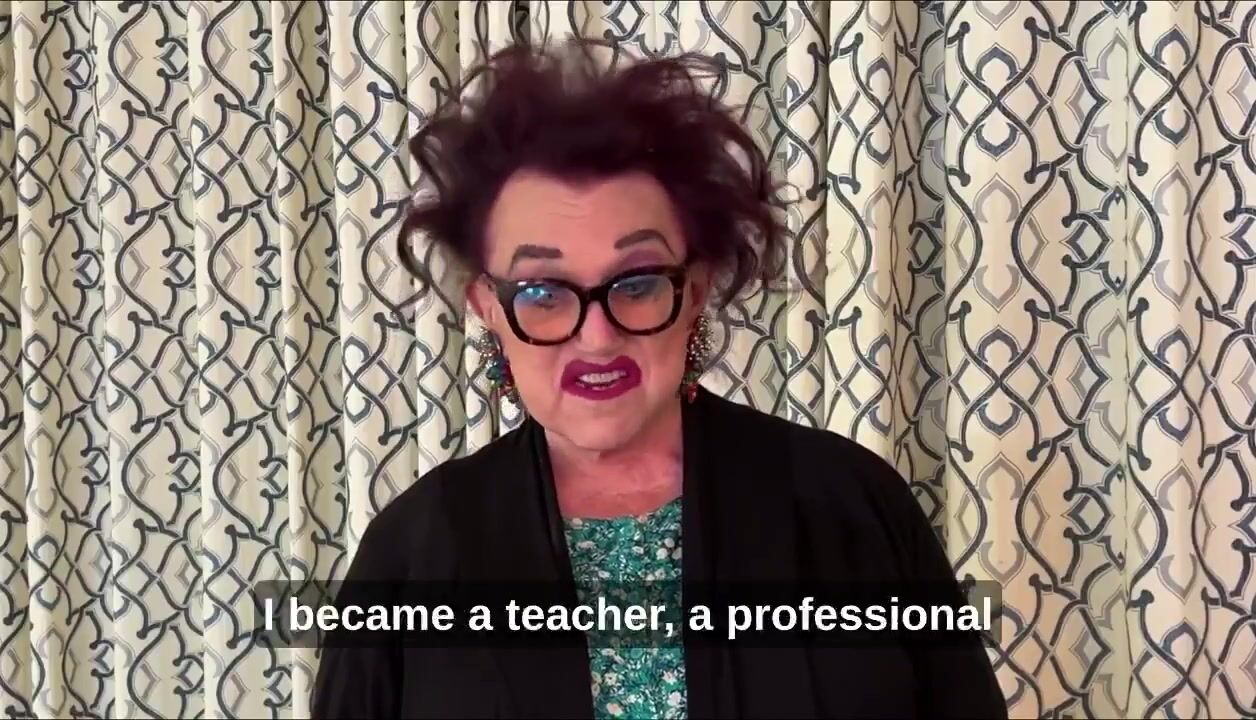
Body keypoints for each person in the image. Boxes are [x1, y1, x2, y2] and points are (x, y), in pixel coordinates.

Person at [312, 38, 1007, 719]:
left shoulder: (851, 504)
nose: (596, 336)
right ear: (489, 309)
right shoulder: (409, 551)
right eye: (543, 292)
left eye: (637, 283)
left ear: (695, 291)